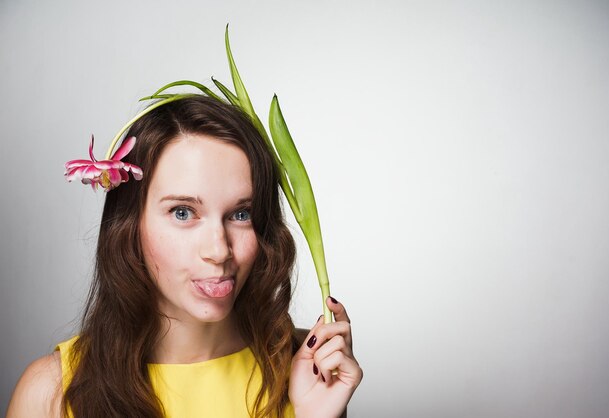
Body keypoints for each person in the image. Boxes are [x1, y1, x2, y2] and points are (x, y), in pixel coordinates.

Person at [6, 95, 363, 417]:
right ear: (129, 226)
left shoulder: (308, 370)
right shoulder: (51, 393)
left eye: (241, 214)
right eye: (182, 212)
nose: (219, 250)